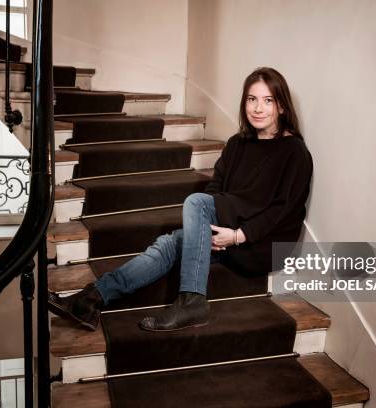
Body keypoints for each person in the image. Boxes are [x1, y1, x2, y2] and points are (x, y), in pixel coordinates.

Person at [48, 67, 313, 332]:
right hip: (225, 229)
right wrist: (207, 229)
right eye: (251, 99)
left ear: (282, 107)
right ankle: (91, 298)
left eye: (268, 100)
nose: (258, 108)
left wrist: (237, 236)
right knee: (168, 244)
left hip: (261, 243)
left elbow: (283, 210)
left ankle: (192, 300)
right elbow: (216, 186)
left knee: (195, 202)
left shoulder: (294, 152)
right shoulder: (237, 143)